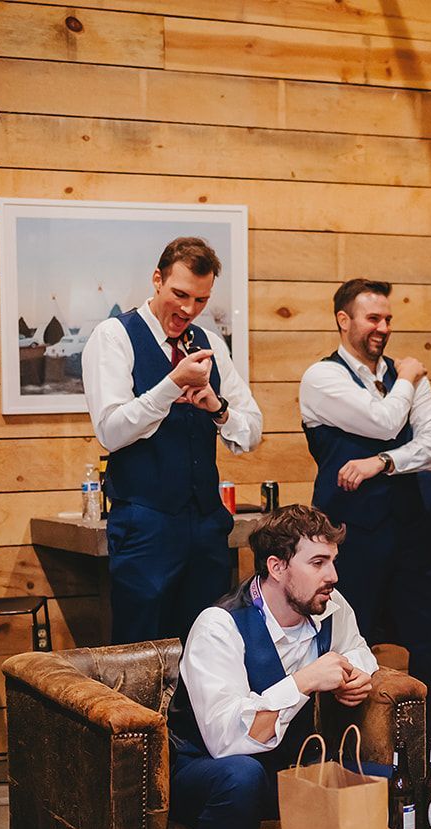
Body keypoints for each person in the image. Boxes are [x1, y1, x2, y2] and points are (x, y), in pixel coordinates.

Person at [169, 505, 383, 829]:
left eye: (333, 560)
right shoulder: (219, 625)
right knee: (241, 775)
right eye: (318, 562)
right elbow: (226, 741)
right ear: (277, 567)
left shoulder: (332, 606)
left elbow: (358, 651)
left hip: (282, 766)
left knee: (375, 777)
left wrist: (356, 679)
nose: (333, 575)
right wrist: (303, 683)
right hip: (203, 772)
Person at [299, 279, 431, 777]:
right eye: (373, 318)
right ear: (344, 320)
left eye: (388, 319)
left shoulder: (405, 374)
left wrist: (382, 463)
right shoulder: (320, 379)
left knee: (430, 640)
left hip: (410, 526)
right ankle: (348, 757)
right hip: (348, 535)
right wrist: (408, 382)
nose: (384, 329)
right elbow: (384, 420)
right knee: (347, 641)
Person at [81, 237, 263, 643]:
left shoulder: (210, 344)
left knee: (210, 648)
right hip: (146, 525)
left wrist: (219, 408)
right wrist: (171, 385)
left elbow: (251, 431)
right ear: (157, 280)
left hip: (208, 527)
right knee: (142, 650)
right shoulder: (114, 336)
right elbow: (111, 429)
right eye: (180, 294)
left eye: (200, 300)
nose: (188, 309)